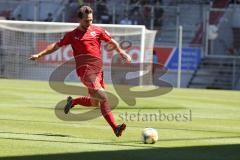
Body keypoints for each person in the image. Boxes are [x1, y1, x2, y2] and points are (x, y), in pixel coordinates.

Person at [29, 6, 131, 137]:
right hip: (85, 72)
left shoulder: (97, 31)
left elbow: (111, 41)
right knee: (104, 98)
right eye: (87, 20)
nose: (89, 23)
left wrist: (122, 52)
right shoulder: (72, 35)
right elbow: (56, 45)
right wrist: (40, 54)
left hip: (99, 71)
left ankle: (73, 102)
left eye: (91, 20)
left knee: (95, 102)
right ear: (80, 19)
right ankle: (115, 128)